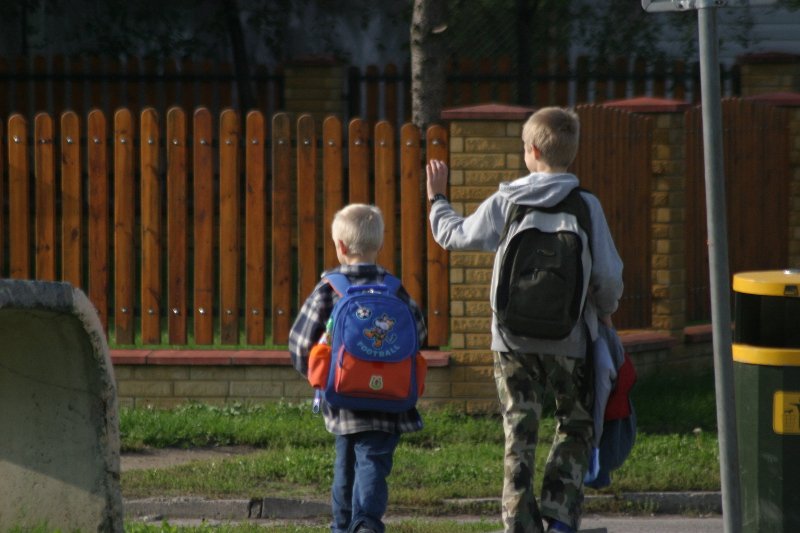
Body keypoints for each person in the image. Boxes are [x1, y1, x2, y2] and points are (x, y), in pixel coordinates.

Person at [426, 106, 623, 533]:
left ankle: (518, 523)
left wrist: (437, 199)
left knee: (519, 429)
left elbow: (454, 235)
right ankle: (560, 518)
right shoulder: (586, 205)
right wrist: (605, 312)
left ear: (532, 150)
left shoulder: (508, 200)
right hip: (570, 340)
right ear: (572, 151)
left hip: (511, 341)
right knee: (576, 424)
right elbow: (608, 276)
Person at [289, 203, 428, 533]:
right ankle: (366, 523)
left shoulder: (330, 290)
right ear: (380, 244)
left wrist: (320, 378)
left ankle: (342, 526)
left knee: (346, 465)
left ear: (340, 246)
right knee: (373, 462)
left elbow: (299, 343)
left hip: (344, 396)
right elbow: (419, 335)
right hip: (390, 399)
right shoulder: (395, 289)